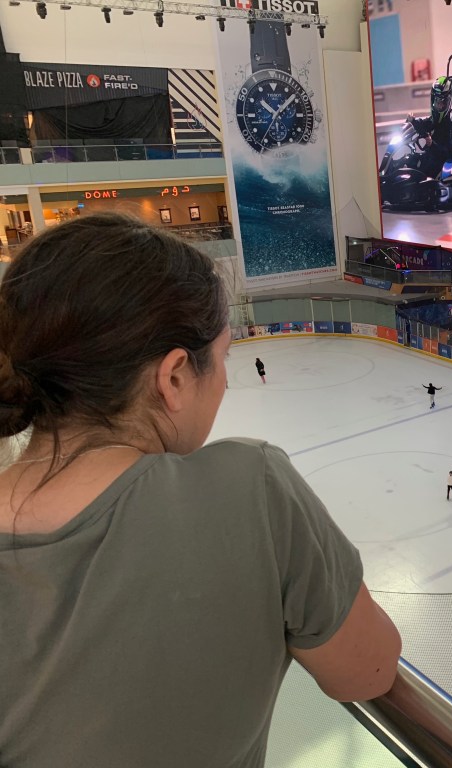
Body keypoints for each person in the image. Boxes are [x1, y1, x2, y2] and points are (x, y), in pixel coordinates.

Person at [0, 213, 402, 766]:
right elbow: (369, 670)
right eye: (222, 359)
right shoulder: (249, 489)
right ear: (173, 377)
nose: (225, 380)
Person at [407, 75, 452, 180]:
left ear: (448, 103)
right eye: (437, 102)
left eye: (442, 103)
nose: (439, 106)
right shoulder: (434, 120)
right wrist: (412, 121)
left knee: (415, 172)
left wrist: (431, 144)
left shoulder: (448, 125)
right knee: (408, 160)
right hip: (430, 157)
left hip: (439, 164)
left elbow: (446, 153)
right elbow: (424, 124)